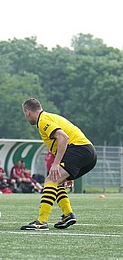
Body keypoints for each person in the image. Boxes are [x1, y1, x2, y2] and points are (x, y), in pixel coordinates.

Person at [20, 98, 97, 231]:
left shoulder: (43, 120)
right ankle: (68, 215)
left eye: (24, 114)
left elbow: (63, 137)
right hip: (87, 152)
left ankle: (41, 221)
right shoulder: (49, 116)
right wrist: (67, 174)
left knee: (51, 179)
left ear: (27, 112)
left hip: (78, 149)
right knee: (58, 182)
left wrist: (56, 164)